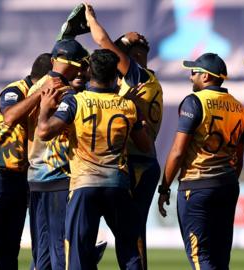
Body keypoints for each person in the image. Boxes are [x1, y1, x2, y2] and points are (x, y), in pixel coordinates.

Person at [37, 49, 151, 270]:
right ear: (115, 76)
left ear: (89, 72)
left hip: (84, 186)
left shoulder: (75, 102)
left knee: (78, 251)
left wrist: (44, 110)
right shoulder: (128, 105)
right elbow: (145, 146)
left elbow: (44, 132)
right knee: (129, 251)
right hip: (117, 185)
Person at [83, 5, 164, 268]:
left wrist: (91, 19)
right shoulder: (144, 80)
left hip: (137, 165)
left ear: (134, 57)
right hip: (140, 163)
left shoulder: (138, 75)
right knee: (128, 232)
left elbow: (104, 43)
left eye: (123, 57)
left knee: (130, 235)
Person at [157, 53, 244, 270]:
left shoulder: (194, 102)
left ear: (206, 77)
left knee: (201, 258)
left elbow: (178, 151)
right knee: (220, 257)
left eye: (194, 73)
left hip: (197, 186)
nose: (190, 77)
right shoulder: (239, 107)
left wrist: (164, 187)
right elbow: (239, 158)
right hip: (227, 185)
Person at [0, 53, 53, 269]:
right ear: (44, 80)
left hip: (20, 178)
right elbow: (10, 117)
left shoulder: (50, 97)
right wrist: (40, 95)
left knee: (9, 247)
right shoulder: (14, 91)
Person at [24, 39, 89, 270]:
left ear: (53, 60)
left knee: (41, 253)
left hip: (35, 178)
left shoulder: (35, 87)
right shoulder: (67, 93)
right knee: (62, 251)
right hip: (59, 178)